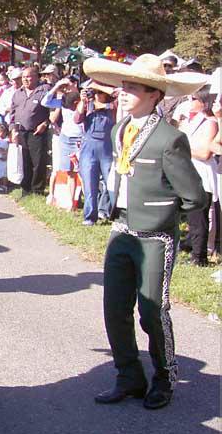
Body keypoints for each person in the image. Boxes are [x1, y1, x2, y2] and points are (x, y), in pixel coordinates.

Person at [84, 54, 207, 410]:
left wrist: (162, 217)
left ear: (154, 95)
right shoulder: (120, 128)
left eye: (132, 88)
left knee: (153, 311)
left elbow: (194, 197)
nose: (123, 94)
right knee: (114, 308)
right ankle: (129, 375)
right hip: (121, 230)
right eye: (123, 87)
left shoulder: (170, 138)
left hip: (156, 236)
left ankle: (165, 377)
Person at [176, 85, 218, 266]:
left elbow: (205, 152)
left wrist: (183, 149)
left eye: (194, 99)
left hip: (202, 174)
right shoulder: (189, 121)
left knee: (199, 217)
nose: (190, 102)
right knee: (189, 217)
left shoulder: (210, 122)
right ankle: (189, 246)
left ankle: (199, 256)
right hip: (187, 172)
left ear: (203, 102)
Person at [74, 81, 116, 226]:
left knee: (111, 182)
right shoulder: (88, 105)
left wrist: (102, 102)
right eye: (95, 92)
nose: (97, 95)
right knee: (90, 184)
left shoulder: (113, 105)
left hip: (107, 148)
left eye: (99, 92)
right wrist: (83, 101)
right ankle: (90, 216)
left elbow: (116, 100)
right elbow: (77, 119)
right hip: (89, 148)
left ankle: (111, 212)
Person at [9, 67, 51, 194]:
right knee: (24, 161)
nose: (25, 80)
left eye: (28, 77)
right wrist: (12, 130)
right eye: (23, 77)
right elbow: (12, 113)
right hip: (21, 131)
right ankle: (25, 189)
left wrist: (45, 123)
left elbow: (53, 111)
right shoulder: (18, 93)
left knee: (38, 162)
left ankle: (37, 190)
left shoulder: (44, 91)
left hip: (37, 132)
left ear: (36, 77)